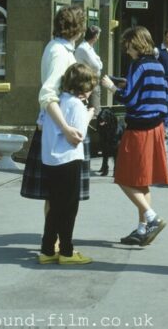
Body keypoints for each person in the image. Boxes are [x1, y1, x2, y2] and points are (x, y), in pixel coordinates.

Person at [101, 26, 168, 246]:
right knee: (142, 182)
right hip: (156, 127)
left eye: (128, 45)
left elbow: (129, 98)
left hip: (138, 129)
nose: (126, 49)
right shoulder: (157, 65)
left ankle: (151, 218)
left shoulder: (137, 65)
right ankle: (142, 230)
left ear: (136, 43)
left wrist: (111, 87)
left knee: (123, 178)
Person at [22, 6, 88, 222]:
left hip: (57, 129)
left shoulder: (59, 48)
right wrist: (66, 129)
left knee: (56, 194)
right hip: (58, 132)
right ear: (78, 28)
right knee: (60, 194)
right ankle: (55, 244)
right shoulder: (60, 53)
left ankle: (54, 243)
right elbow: (48, 94)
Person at [38, 63, 97, 265]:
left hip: (51, 159)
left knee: (55, 207)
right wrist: (90, 114)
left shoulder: (56, 100)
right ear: (83, 86)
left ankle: (47, 249)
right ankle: (66, 251)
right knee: (69, 208)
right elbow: (78, 135)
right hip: (69, 159)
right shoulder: (76, 105)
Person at [74, 25, 103, 115]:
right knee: (94, 111)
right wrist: (98, 60)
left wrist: (98, 61)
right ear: (94, 36)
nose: (98, 38)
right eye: (97, 35)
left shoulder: (89, 48)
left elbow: (99, 64)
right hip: (88, 83)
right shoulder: (84, 49)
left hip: (92, 82)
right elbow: (98, 66)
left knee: (94, 110)